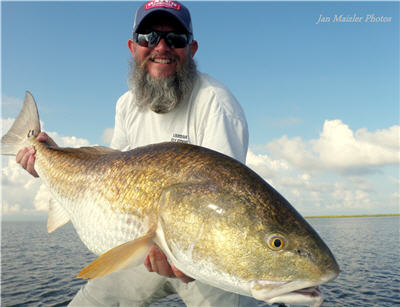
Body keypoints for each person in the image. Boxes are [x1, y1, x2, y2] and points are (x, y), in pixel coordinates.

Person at [17, 1, 259, 306]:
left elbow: (227, 205)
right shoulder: (126, 105)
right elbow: (110, 169)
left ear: (192, 49)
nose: (162, 47)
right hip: (141, 246)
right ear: (133, 47)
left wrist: (187, 256)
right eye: (149, 37)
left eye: (176, 39)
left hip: (204, 258)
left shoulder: (217, 105)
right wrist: (49, 157)